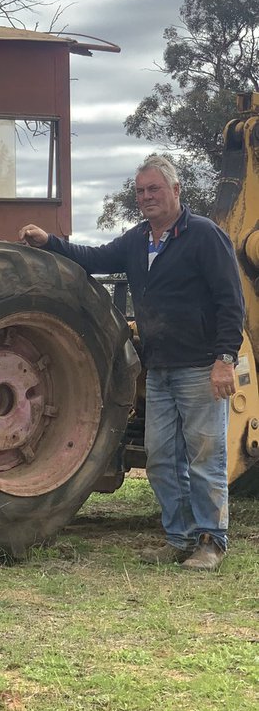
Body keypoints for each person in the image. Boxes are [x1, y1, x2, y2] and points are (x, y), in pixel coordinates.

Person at [19, 154, 244, 571]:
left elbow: (231, 302)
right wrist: (49, 243)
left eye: (154, 189)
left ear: (176, 191)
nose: (146, 198)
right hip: (159, 368)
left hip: (200, 368)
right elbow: (94, 257)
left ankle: (211, 542)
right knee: (161, 458)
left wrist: (225, 359)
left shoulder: (204, 236)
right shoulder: (139, 240)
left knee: (205, 457)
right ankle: (179, 538)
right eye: (140, 191)